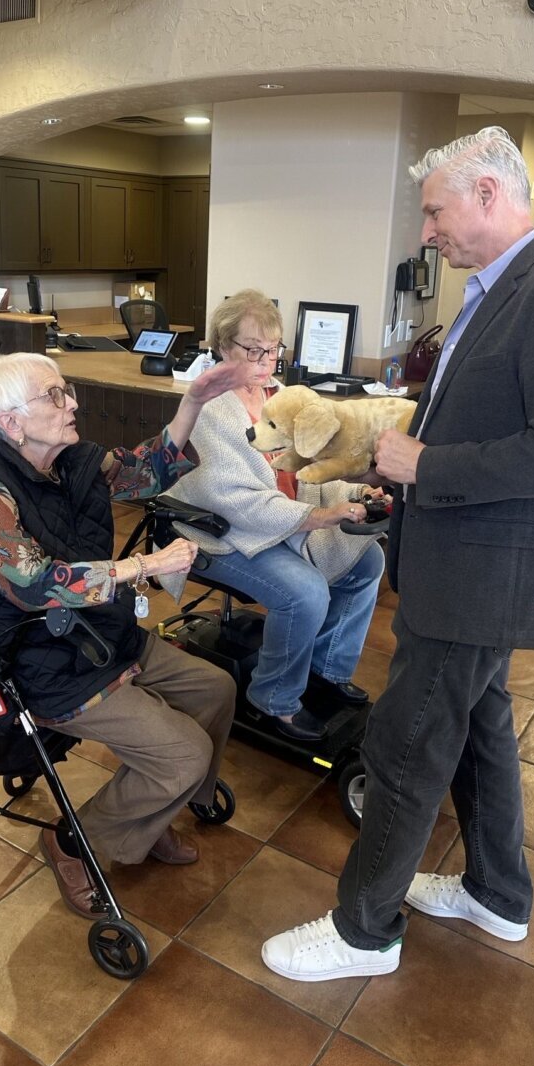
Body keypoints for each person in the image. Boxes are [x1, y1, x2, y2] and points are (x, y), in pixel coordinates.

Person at [263, 126, 534, 981]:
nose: (427, 232)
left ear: (489, 196)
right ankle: (497, 893)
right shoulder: (499, 288)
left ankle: (362, 931)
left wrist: (427, 464)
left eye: (435, 211)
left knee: (407, 743)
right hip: (468, 554)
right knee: (480, 728)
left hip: (485, 575)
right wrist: (411, 481)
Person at [0, 350, 244, 918]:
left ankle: (148, 817)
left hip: (97, 632)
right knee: (185, 755)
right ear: (11, 422)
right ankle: (73, 843)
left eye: (66, 390)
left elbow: (145, 470)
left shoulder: (74, 460)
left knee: (215, 690)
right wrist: (142, 568)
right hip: (41, 658)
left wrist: (193, 402)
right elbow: (36, 585)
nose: (72, 403)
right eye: (54, 396)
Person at [169, 290, 386, 742]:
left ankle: (325, 671)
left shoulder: (282, 397)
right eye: (254, 350)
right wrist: (322, 516)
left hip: (285, 522)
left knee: (368, 562)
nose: (266, 361)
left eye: (274, 349)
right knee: (305, 593)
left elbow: (315, 469)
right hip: (219, 533)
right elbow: (236, 502)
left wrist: (358, 490)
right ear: (224, 348)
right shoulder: (210, 410)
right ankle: (274, 698)